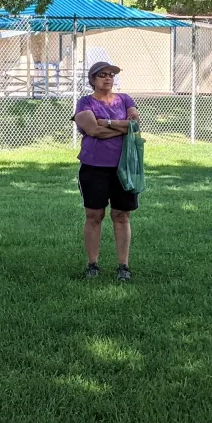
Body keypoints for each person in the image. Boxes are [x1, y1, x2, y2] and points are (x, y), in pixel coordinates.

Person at [73, 62, 139, 281]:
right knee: (94, 215)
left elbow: (135, 125)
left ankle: (124, 266)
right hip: (94, 167)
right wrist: (122, 129)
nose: (108, 78)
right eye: (102, 75)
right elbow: (93, 130)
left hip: (124, 167)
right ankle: (92, 264)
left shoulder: (125, 99)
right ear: (92, 79)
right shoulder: (85, 102)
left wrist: (107, 122)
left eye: (111, 75)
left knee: (121, 216)